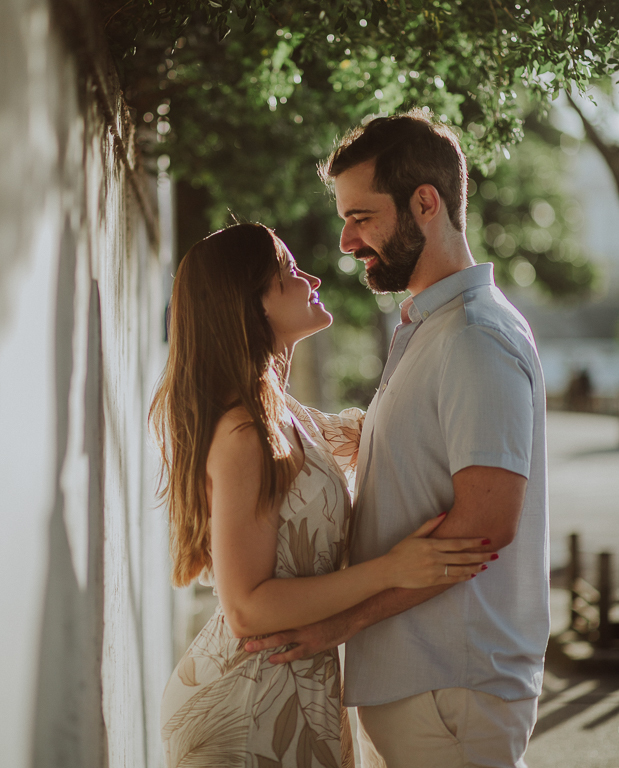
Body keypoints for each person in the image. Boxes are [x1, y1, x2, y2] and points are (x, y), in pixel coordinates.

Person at [246, 113, 549, 768]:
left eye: (361, 217)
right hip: (425, 684)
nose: (347, 240)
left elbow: (486, 523)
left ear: (424, 203)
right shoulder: (429, 328)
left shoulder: (471, 336)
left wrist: (340, 622)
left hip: (449, 685)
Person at [151, 222, 494, 768]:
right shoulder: (243, 435)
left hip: (298, 689)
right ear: (250, 305)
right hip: (246, 708)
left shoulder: (288, 417)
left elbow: (390, 427)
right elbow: (245, 608)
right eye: (287, 271)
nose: (309, 276)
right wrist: (392, 570)